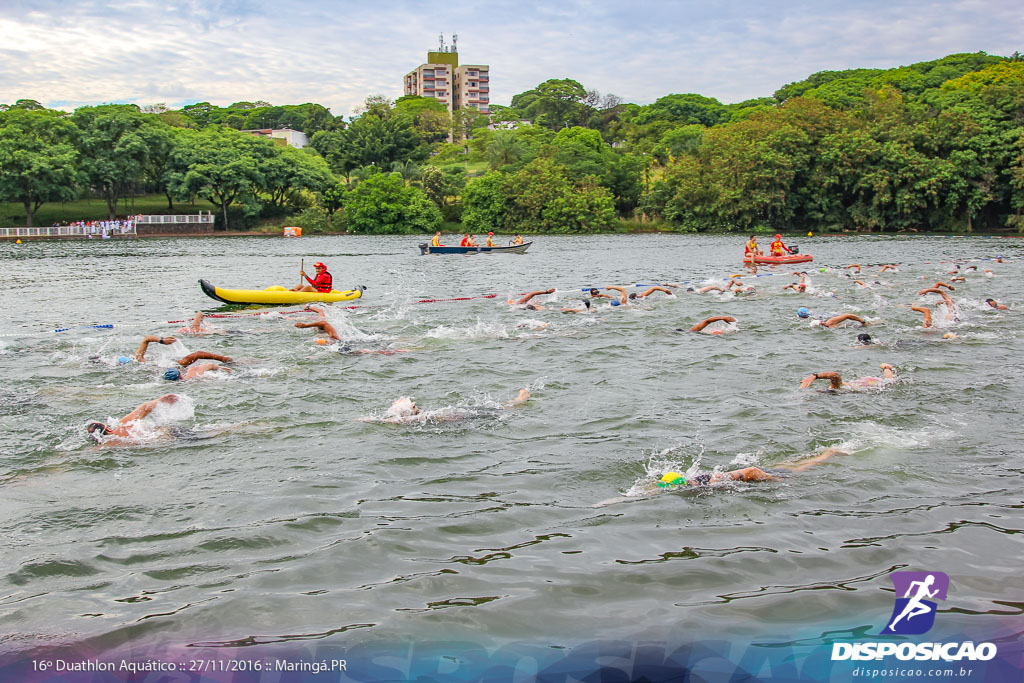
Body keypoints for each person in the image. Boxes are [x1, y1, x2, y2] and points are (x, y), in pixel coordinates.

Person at [374, 389, 532, 424]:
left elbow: (393, 422)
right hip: (461, 415)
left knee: (501, 410)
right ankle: (519, 399)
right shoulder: (425, 417)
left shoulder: (424, 418)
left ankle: (521, 399)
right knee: (497, 408)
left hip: (465, 416)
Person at [86, 394, 183, 443]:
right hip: (172, 433)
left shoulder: (110, 446)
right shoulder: (123, 426)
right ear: (107, 428)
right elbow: (145, 408)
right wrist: (161, 400)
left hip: (164, 443)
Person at [799, 363, 896, 390]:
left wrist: (815, 376)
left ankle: (885, 367)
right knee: (889, 381)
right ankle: (885, 367)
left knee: (889, 382)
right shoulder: (839, 388)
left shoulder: (835, 388)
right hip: (867, 382)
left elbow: (835, 375)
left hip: (868, 385)